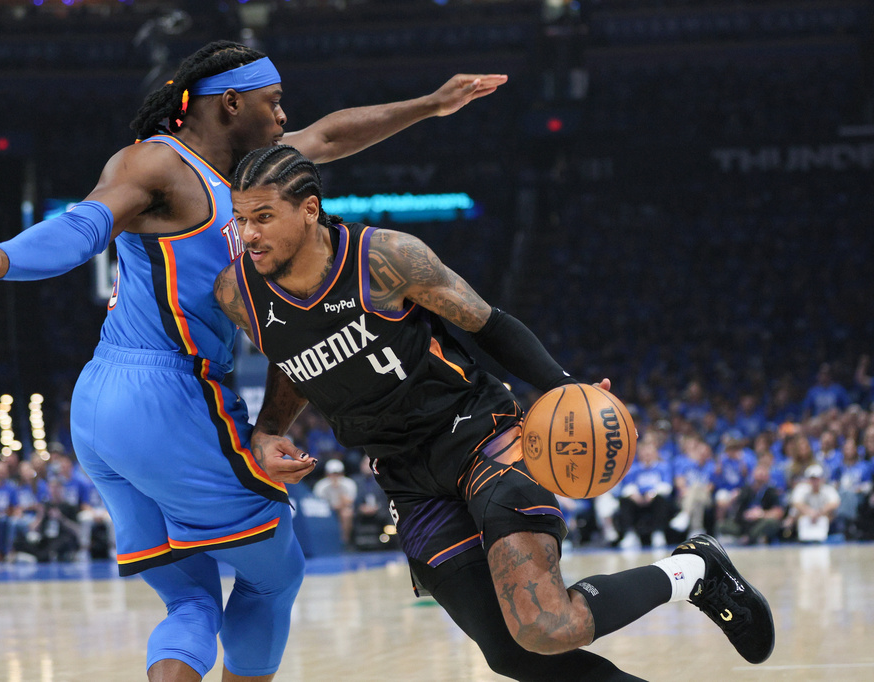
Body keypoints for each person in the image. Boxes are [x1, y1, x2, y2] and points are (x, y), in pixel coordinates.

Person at [0, 39, 505, 682]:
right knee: (277, 574)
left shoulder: (257, 175)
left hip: (100, 407)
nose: (285, 117)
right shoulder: (158, 166)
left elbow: (331, 137)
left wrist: (431, 104)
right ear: (230, 102)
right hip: (169, 393)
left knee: (191, 599)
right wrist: (5, 259)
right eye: (273, 103)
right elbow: (88, 225)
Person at [213, 145, 775, 680]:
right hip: (405, 477)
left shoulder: (383, 259)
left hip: (479, 435)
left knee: (547, 624)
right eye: (242, 219)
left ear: (309, 210)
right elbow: (292, 358)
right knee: (513, 655)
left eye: (263, 216)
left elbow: (488, 323)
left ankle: (694, 573)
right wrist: (267, 429)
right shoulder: (239, 292)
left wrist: (566, 387)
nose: (249, 234)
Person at [311, 458, 357, 545]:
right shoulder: (321, 486)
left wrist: (338, 489)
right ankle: (324, 542)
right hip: (326, 511)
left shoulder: (349, 484)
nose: (335, 477)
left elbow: (349, 502)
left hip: (341, 509)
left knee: (347, 513)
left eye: (338, 474)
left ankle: (344, 541)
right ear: (327, 474)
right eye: (332, 474)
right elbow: (318, 504)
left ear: (342, 473)